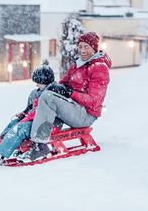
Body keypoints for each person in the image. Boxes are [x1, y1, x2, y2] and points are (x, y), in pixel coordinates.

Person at [17, 31, 111, 162]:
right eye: (80, 46)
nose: (82, 50)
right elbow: (63, 84)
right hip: (72, 108)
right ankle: (29, 127)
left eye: (86, 47)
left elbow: (93, 101)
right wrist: (54, 88)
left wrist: (69, 93)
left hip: (85, 115)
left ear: (94, 48)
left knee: (48, 97)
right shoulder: (78, 65)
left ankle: (40, 146)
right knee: (37, 93)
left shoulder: (99, 68)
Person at [0, 63, 55, 167]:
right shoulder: (39, 92)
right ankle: (0, 144)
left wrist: (25, 119)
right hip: (34, 121)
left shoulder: (50, 95)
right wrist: (24, 115)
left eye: (38, 83)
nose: (36, 85)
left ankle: (0, 155)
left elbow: (39, 112)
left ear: (45, 82)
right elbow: (32, 108)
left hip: (42, 125)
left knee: (20, 129)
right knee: (14, 123)